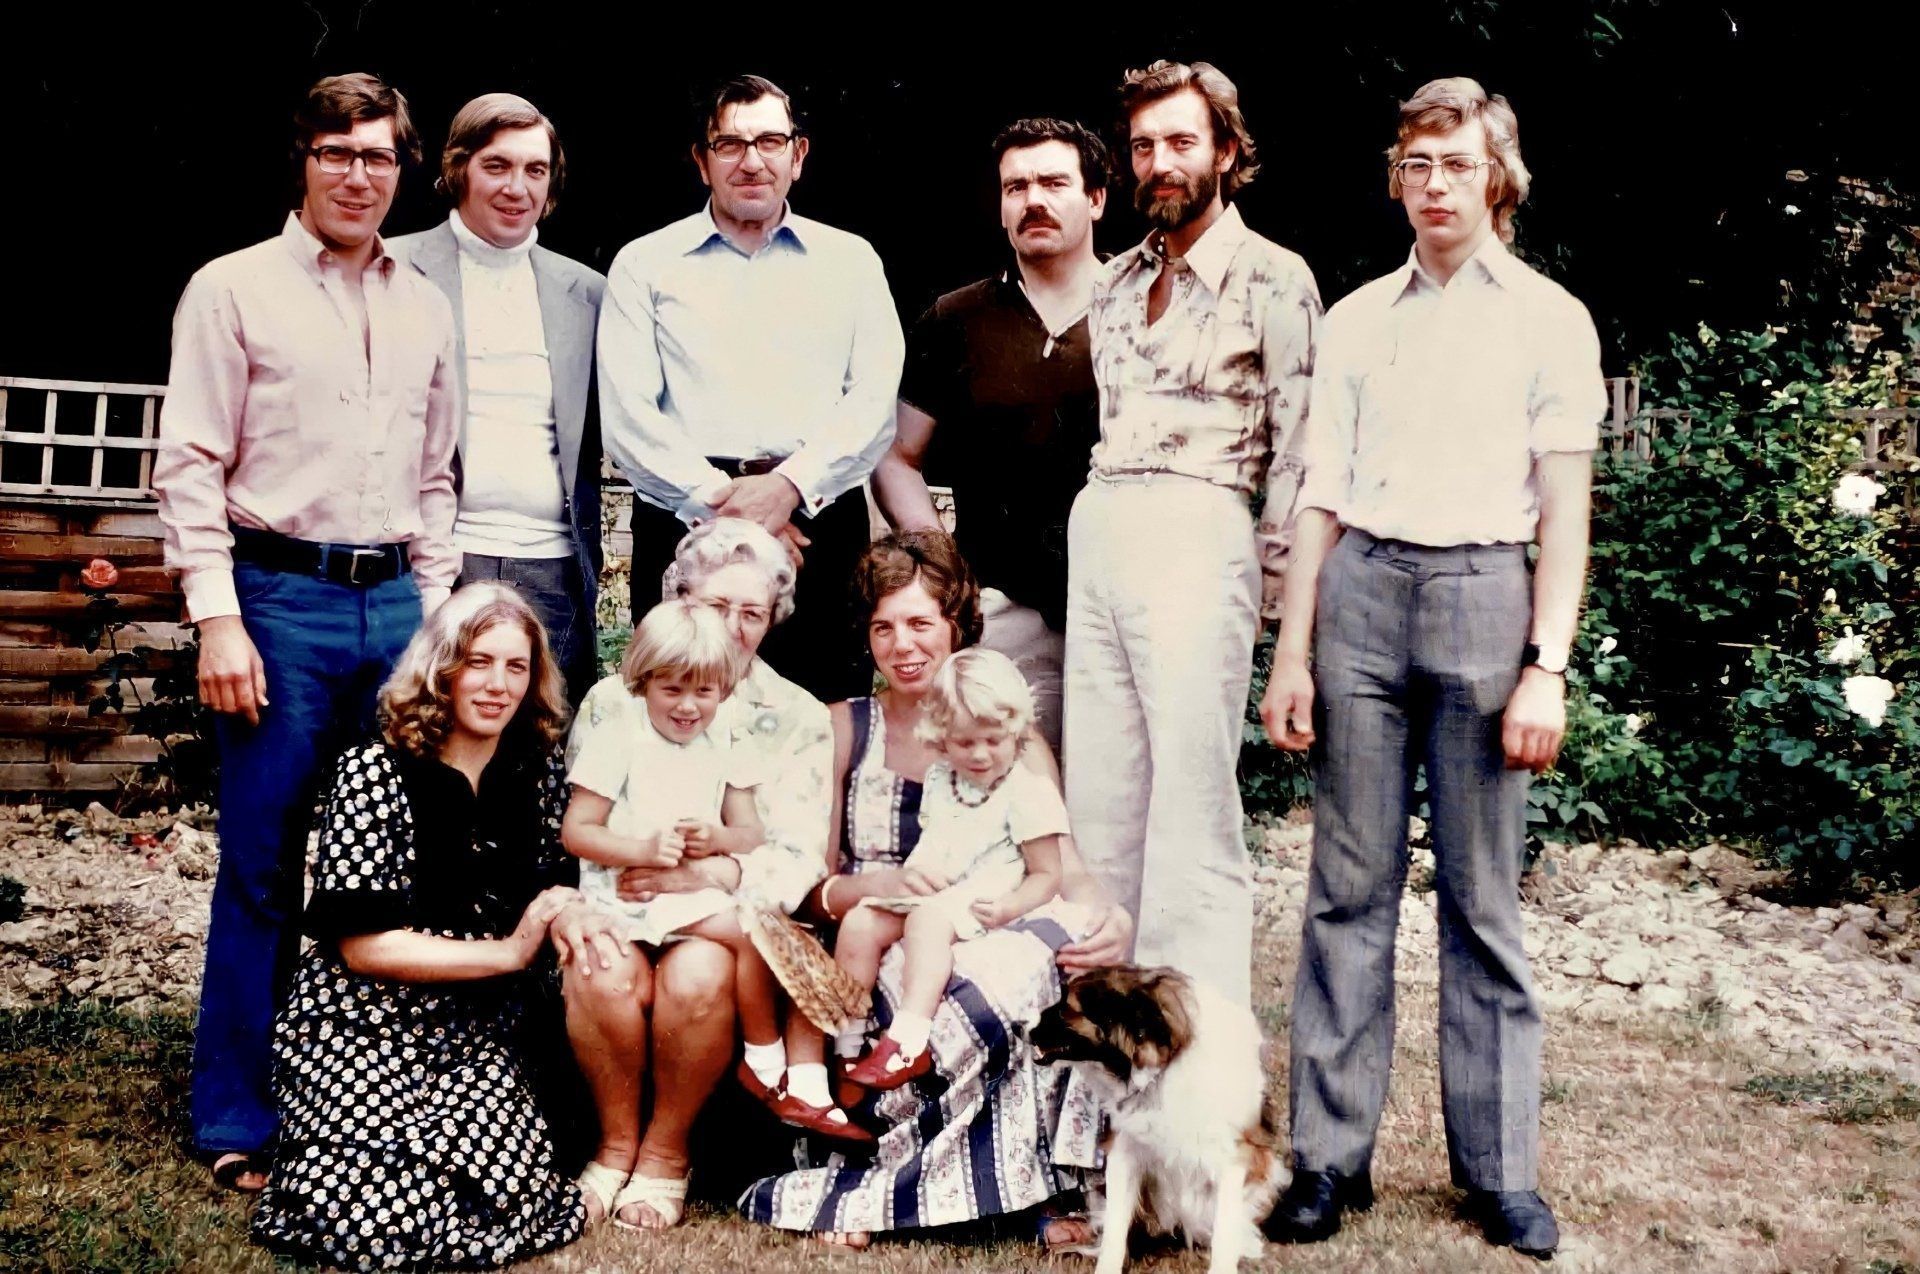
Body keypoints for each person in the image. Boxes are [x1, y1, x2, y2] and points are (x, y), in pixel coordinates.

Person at [1260, 78, 1604, 1261]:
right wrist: (1293, 650)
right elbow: (1319, 491)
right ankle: (1327, 1158)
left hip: (1482, 597)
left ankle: (1500, 1171)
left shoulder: (1550, 318)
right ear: (1396, 175)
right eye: (1416, 163)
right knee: (1344, 890)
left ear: (1496, 175)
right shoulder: (1357, 316)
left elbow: (1565, 514)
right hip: (1361, 595)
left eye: (1456, 164)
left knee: (1482, 898)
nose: (1435, 184)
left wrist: (1545, 667)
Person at [153, 71, 460, 1192]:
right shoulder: (231, 290)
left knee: (401, 863)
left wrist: (435, 616)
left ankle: (375, 1095)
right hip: (278, 603)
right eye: (338, 154)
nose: (358, 175)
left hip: (397, 608)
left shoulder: (425, 301)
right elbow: (188, 463)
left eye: (378, 156)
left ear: (403, 169)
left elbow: (437, 475)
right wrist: (218, 620)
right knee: (265, 865)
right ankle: (236, 1111)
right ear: (304, 161)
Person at [741, 531, 1133, 1253]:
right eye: (884, 626)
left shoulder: (1003, 731)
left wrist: (1108, 913)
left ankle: (1029, 1191)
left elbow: (1062, 863)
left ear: (956, 625)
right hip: (876, 924)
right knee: (932, 993)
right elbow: (810, 884)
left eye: (921, 623)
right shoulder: (841, 728)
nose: (902, 644)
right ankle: (886, 1185)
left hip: (993, 913)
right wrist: (878, 885)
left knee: (1009, 979)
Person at [1066, 60, 1321, 1008]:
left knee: (1190, 819)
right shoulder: (1117, 282)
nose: (1160, 161)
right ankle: (1100, 1073)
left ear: (1225, 149)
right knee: (1101, 811)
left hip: (1200, 532)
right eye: (1143, 146)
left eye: (1181, 141)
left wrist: (1277, 616)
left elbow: (1300, 466)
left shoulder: (1275, 280)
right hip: (1103, 534)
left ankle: (1197, 1074)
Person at [249, 583, 585, 1270]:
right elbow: (365, 947)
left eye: (515, 667)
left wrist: (563, 911)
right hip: (363, 1015)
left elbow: (561, 885)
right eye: (477, 662)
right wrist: (512, 952)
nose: (497, 685)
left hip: (480, 1027)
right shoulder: (375, 771)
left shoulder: (539, 773)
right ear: (441, 668)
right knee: (360, 1210)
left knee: (504, 1183)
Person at [552, 518, 836, 1228]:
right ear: (680, 599)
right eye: (717, 607)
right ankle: (613, 1147)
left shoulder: (795, 715)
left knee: (699, 976)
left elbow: (795, 851)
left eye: (754, 613)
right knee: (602, 970)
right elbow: (583, 825)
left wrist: (706, 873)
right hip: (621, 892)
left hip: (709, 912)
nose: (736, 629)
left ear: (775, 620)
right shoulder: (615, 703)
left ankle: (665, 1155)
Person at [599, 73, 905, 703]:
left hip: (816, 522)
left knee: (823, 717)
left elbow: (874, 401)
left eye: (770, 141)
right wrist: (733, 508)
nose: (752, 161)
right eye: (731, 144)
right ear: (701, 160)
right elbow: (629, 415)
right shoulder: (644, 265)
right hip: (685, 518)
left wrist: (789, 488)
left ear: (799, 154)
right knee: (683, 712)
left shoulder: (852, 262)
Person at [872, 118, 1110, 750]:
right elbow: (897, 456)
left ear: (1096, 198)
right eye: (1016, 187)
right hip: (1003, 611)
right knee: (1000, 790)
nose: (1033, 200)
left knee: (1114, 802)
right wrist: (942, 563)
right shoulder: (955, 319)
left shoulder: (1145, 310)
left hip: (1121, 604)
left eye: (1055, 182)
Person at [389, 92, 607, 702]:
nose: (517, 187)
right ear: (458, 168)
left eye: (535, 170)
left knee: (542, 761)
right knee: (427, 741)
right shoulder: (394, 268)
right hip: (437, 562)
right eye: (497, 166)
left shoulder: (587, 292)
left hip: (554, 568)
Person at [825, 648, 1066, 1101]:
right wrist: (915, 876)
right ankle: (847, 1047)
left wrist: (1011, 905)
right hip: (940, 891)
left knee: (927, 922)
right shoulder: (942, 778)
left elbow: (1047, 874)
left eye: (993, 740)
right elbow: (938, 841)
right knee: (860, 922)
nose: (979, 754)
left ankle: (907, 1040)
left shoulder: (1027, 791)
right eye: (963, 742)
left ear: (1015, 732)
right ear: (941, 737)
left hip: (989, 898)